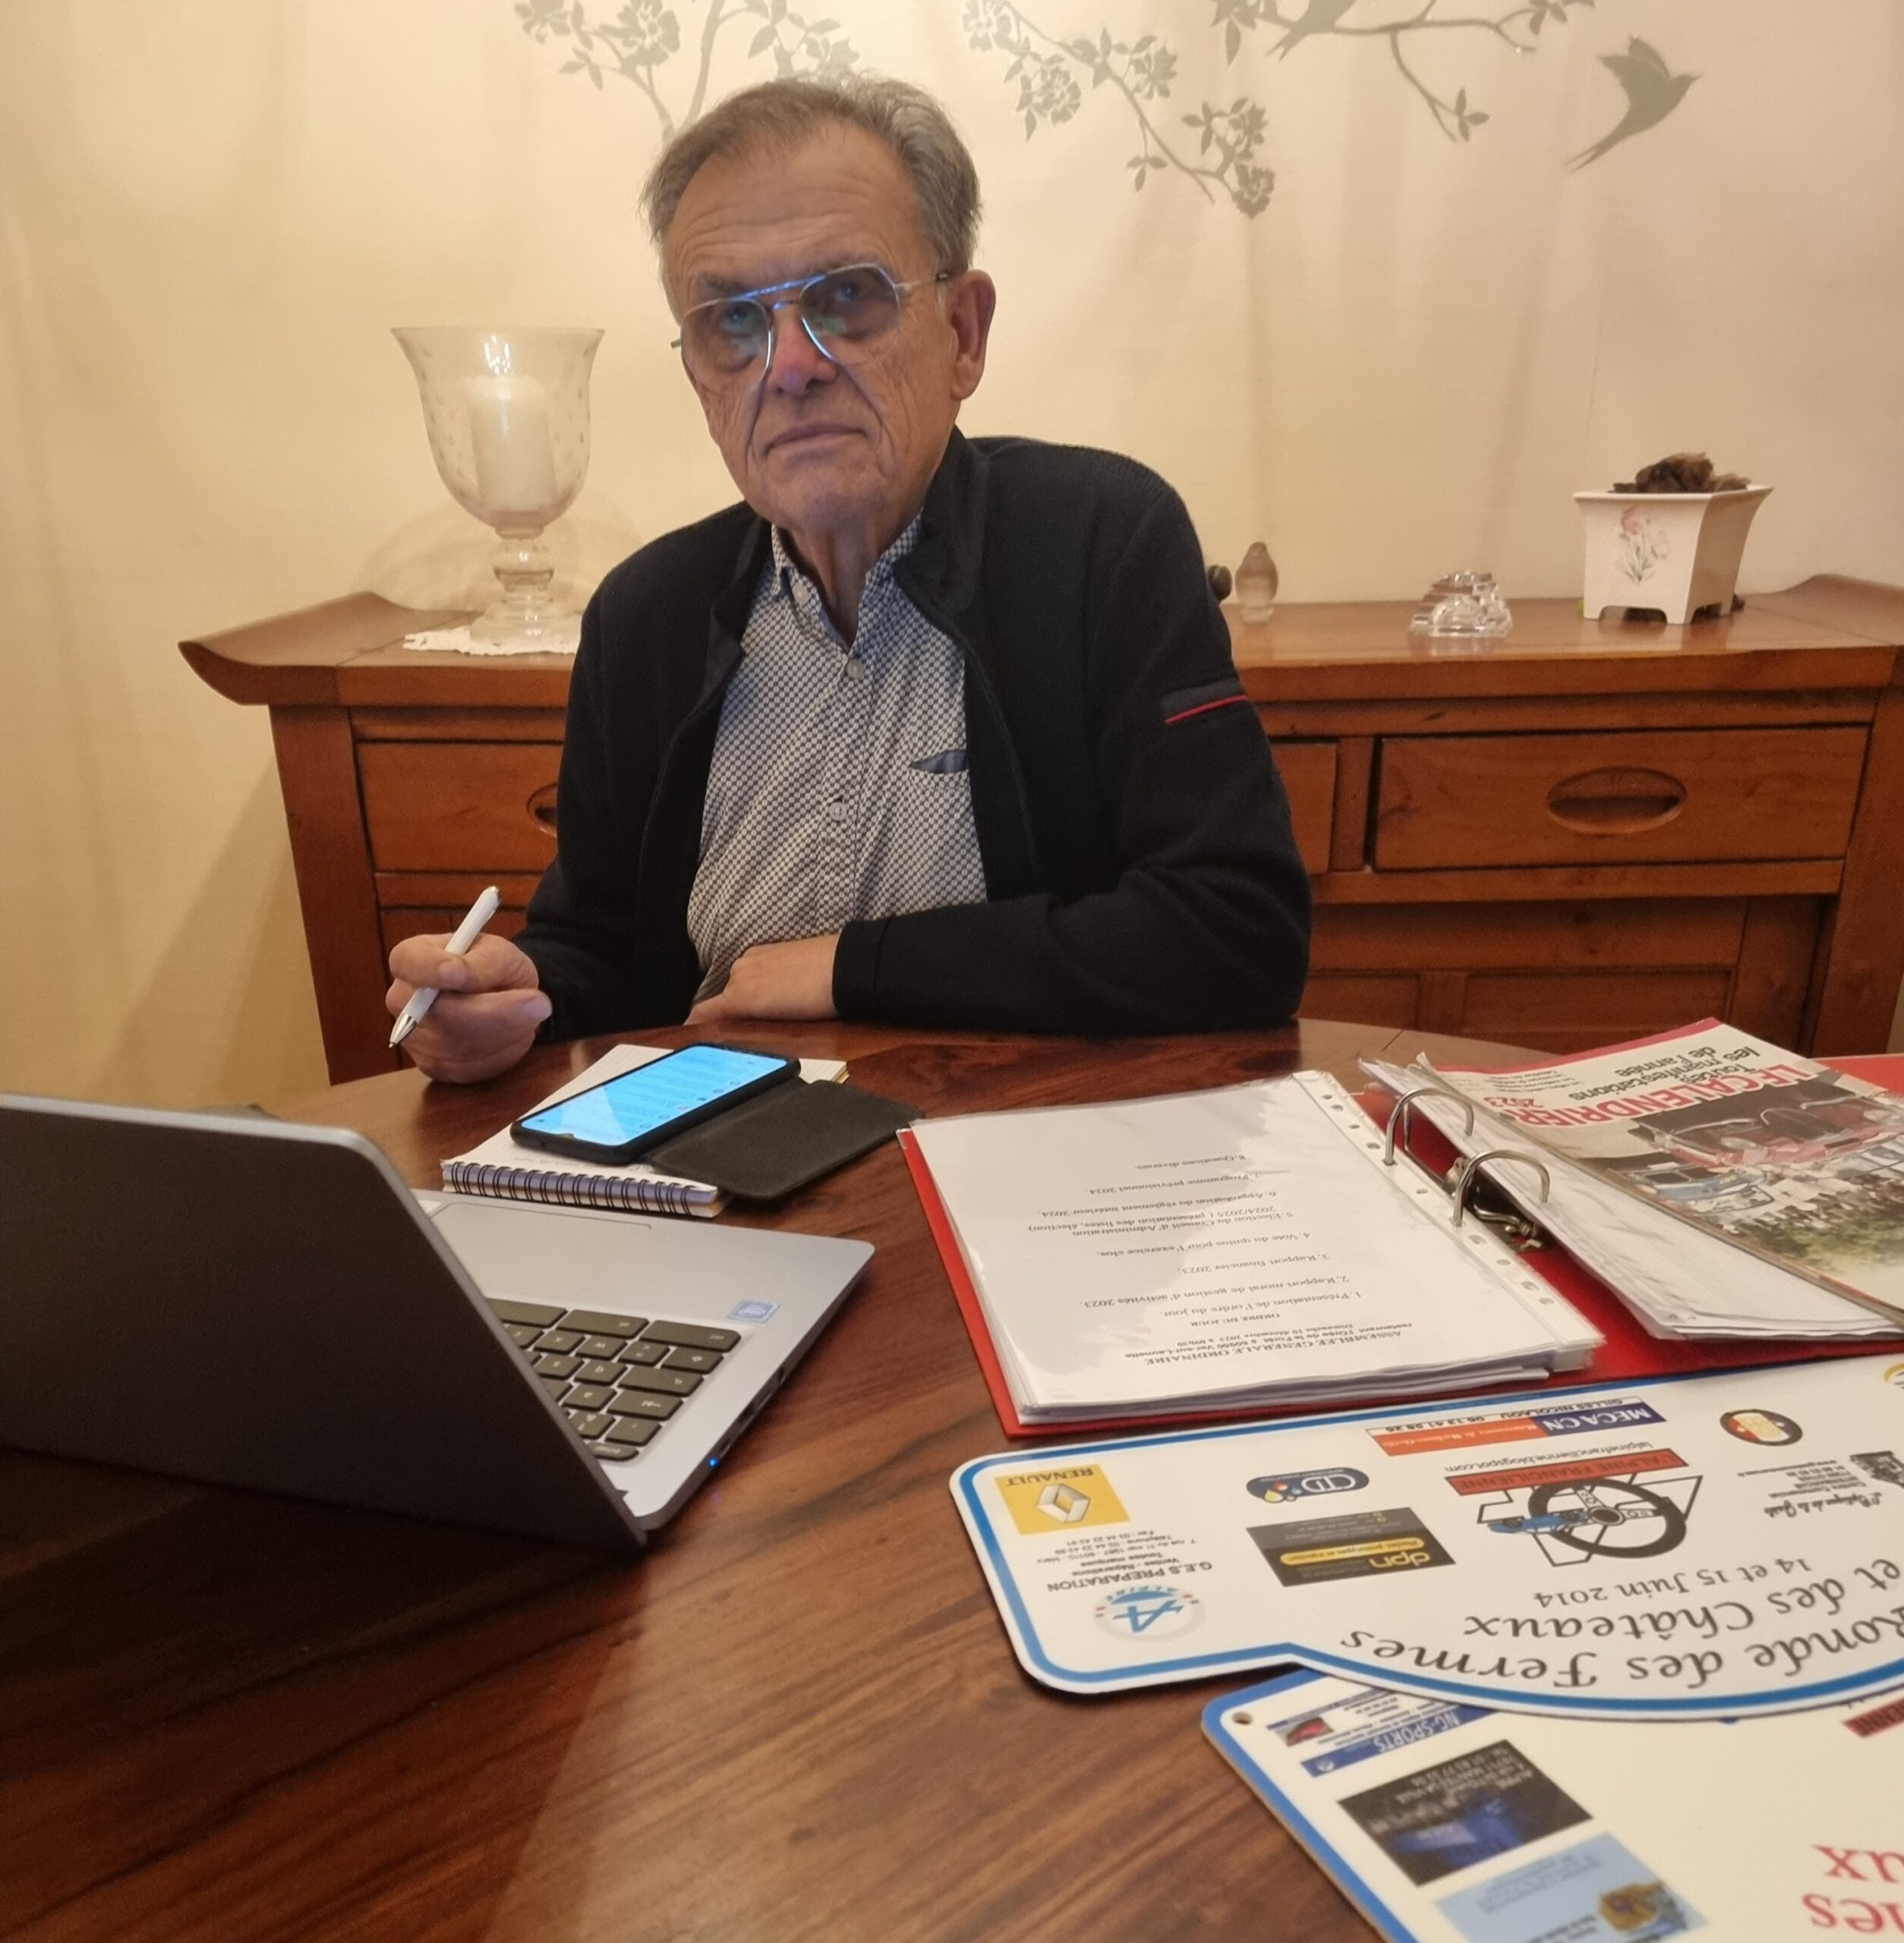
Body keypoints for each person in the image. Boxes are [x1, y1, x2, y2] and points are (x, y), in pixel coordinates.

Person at [386, 75, 1310, 1083]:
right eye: (732, 322)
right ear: (699, 376)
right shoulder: (644, 617)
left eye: (847, 299)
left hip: (1022, 1134)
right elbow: (600, 954)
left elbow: (1236, 931)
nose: (789, 366)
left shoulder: (1102, 543)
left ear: (963, 334)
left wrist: (849, 967)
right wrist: (516, 1001)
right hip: (718, 1143)